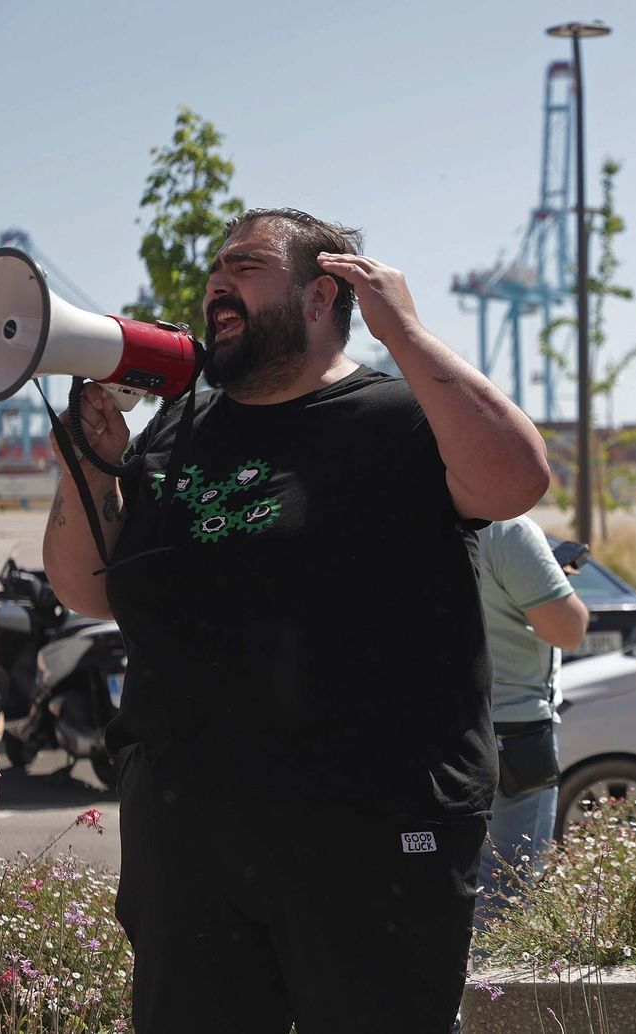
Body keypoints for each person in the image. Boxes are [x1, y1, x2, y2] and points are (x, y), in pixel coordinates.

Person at [41, 208, 550, 1033]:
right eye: (214, 271)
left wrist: (406, 332)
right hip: (192, 842)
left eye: (244, 266)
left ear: (324, 294)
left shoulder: (399, 416)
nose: (215, 284)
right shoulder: (181, 428)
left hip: (370, 839)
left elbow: (517, 481)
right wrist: (87, 471)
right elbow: (89, 591)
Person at [473, 515, 588, 932]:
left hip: (429, 725)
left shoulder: (395, 515)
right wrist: (550, 573)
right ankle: (488, 996)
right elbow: (568, 629)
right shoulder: (507, 530)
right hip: (513, 730)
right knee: (507, 891)